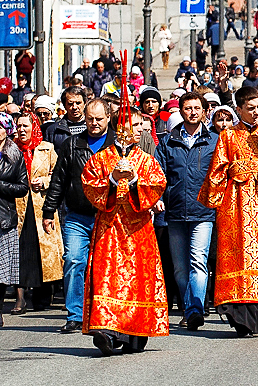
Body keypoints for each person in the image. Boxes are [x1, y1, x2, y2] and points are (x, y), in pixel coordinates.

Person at [80, 60, 168, 355]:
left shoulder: (146, 159)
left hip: (139, 231)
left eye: (131, 129)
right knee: (107, 279)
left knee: (136, 283)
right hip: (109, 228)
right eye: (121, 129)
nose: (125, 134)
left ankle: (133, 334)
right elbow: (90, 186)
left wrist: (132, 184)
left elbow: (157, 185)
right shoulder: (101, 158)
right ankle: (105, 330)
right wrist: (111, 179)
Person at [198, 85, 258, 337]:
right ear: (239, 109)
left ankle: (257, 314)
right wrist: (215, 195)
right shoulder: (228, 136)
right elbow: (217, 169)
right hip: (235, 202)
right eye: (250, 109)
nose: (256, 113)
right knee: (237, 254)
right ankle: (237, 313)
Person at [41, 98, 114, 333]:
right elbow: (59, 180)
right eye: (90, 118)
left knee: (106, 266)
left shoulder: (119, 144)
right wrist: (49, 210)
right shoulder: (72, 144)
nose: (93, 123)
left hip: (108, 216)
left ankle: (107, 314)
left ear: (108, 118)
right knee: (74, 260)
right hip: (77, 215)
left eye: (99, 119)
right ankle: (75, 314)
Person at [154, 91, 218, 331]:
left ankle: (195, 310)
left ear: (204, 111)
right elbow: (158, 174)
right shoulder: (169, 141)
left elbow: (221, 174)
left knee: (198, 262)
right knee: (180, 267)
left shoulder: (214, 140)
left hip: (203, 212)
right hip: (175, 211)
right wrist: (158, 197)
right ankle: (186, 306)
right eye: (188, 108)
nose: (192, 112)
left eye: (197, 108)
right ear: (180, 111)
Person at [12, 113, 62, 315]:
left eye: (25, 126)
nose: (21, 130)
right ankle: (20, 298)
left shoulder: (46, 148)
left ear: (34, 126)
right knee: (20, 251)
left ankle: (42, 295)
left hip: (42, 205)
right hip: (18, 207)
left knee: (42, 252)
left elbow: (58, 173)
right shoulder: (11, 149)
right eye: (18, 126)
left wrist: (45, 182)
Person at [0, 113, 29, 328]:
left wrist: (1, 186)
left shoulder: (14, 153)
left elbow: (22, 187)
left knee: (2, 271)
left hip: (4, 218)